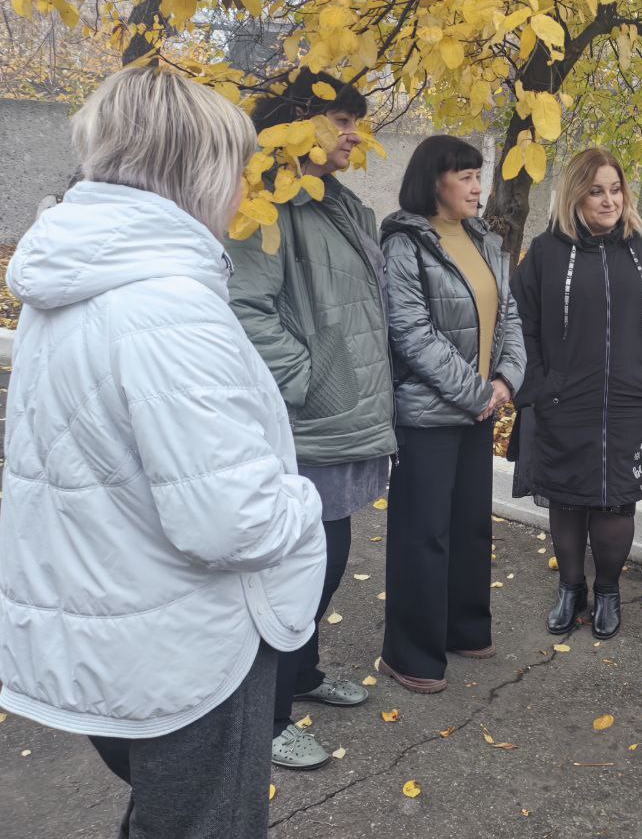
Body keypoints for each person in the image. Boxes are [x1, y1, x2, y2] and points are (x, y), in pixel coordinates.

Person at [0, 67, 326, 838]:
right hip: (186, 652)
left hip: (118, 633)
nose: (244, 196)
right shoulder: (169, 309)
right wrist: (303, 500)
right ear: (198, 170)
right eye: (239, 172)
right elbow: (231, 522)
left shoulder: (77, 281)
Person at [224, 69, 397, 769]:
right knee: (302, 569)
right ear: (295, 122)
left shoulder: (335, 202)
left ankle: (303, 675)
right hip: (310, 423)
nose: (356, 133)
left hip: (342, 418)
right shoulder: (266, 206)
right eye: (341, 121)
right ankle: (265, 720)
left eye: (357, 120)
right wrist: (315, 384)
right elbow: (245, 312)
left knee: (327, 555)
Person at [511, 148, 642, 640]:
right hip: (563, 402)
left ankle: (607, 590)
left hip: (633, 402)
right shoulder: (547, 252)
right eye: (596, 191)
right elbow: (520, 324)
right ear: (575, 195)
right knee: (568, 500)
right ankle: (571, 588)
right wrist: (539, 387)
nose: (608, 200)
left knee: (616, 504)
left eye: (615, 189)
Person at [377, 134, 526, 693]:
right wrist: (476, 391)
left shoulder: (483, 240)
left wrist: (508, 378)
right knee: (424, 533)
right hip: (428, 414)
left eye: (476, 173)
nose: (475, 185)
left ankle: (463, 629)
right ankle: (408, 653)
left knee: (468, 526)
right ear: (432, 181)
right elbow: (410, 333)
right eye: (462, 174)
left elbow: (509, 314)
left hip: (477, 410)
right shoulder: (405, 244)